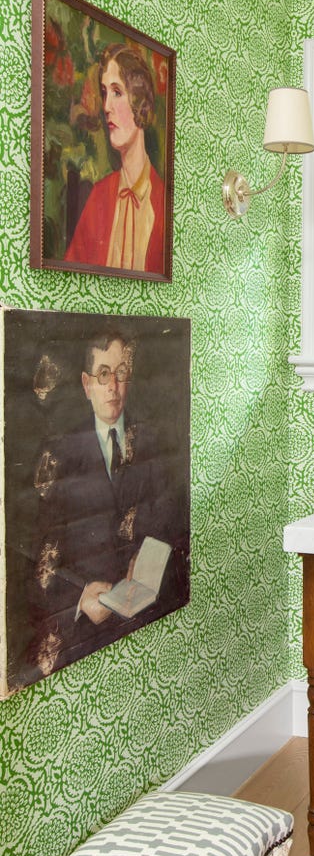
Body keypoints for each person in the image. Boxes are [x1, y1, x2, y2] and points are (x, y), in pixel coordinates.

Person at [29, 326, 187, 678]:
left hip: (150, 619)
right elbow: (35, 553)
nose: (113, 387)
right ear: (87, 385)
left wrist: (147, 559)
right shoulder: (58, 455)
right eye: (103, 375)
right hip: (85, 632)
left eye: (121, 373)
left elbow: (173, 518)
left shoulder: (154, 440)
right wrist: (80, 598)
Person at [65, 44, 166, 274]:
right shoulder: (98, 196)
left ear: (140, 103)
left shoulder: (162, 204)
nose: (106, 106)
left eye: (117, 92)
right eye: (104, 93)